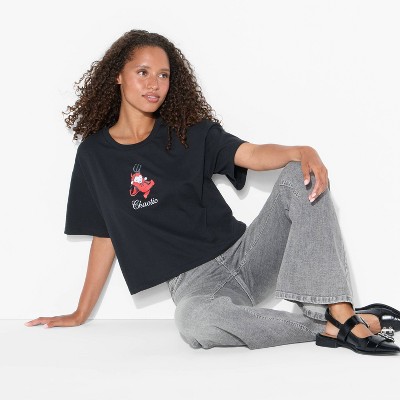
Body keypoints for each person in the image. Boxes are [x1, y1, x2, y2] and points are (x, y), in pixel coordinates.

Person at [25, 29, 400, 355]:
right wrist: (81, 312)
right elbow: (105, 234)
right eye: (143, 72)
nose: (154, 84)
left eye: (163, 75)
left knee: (296, 176)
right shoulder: (95, 155)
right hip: (196, 287)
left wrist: (301, 151)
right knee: (194, 323)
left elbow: (251, 154)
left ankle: (340, 310)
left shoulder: (188, 131)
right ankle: (332, 327)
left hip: (248, 256)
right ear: (118, 75)